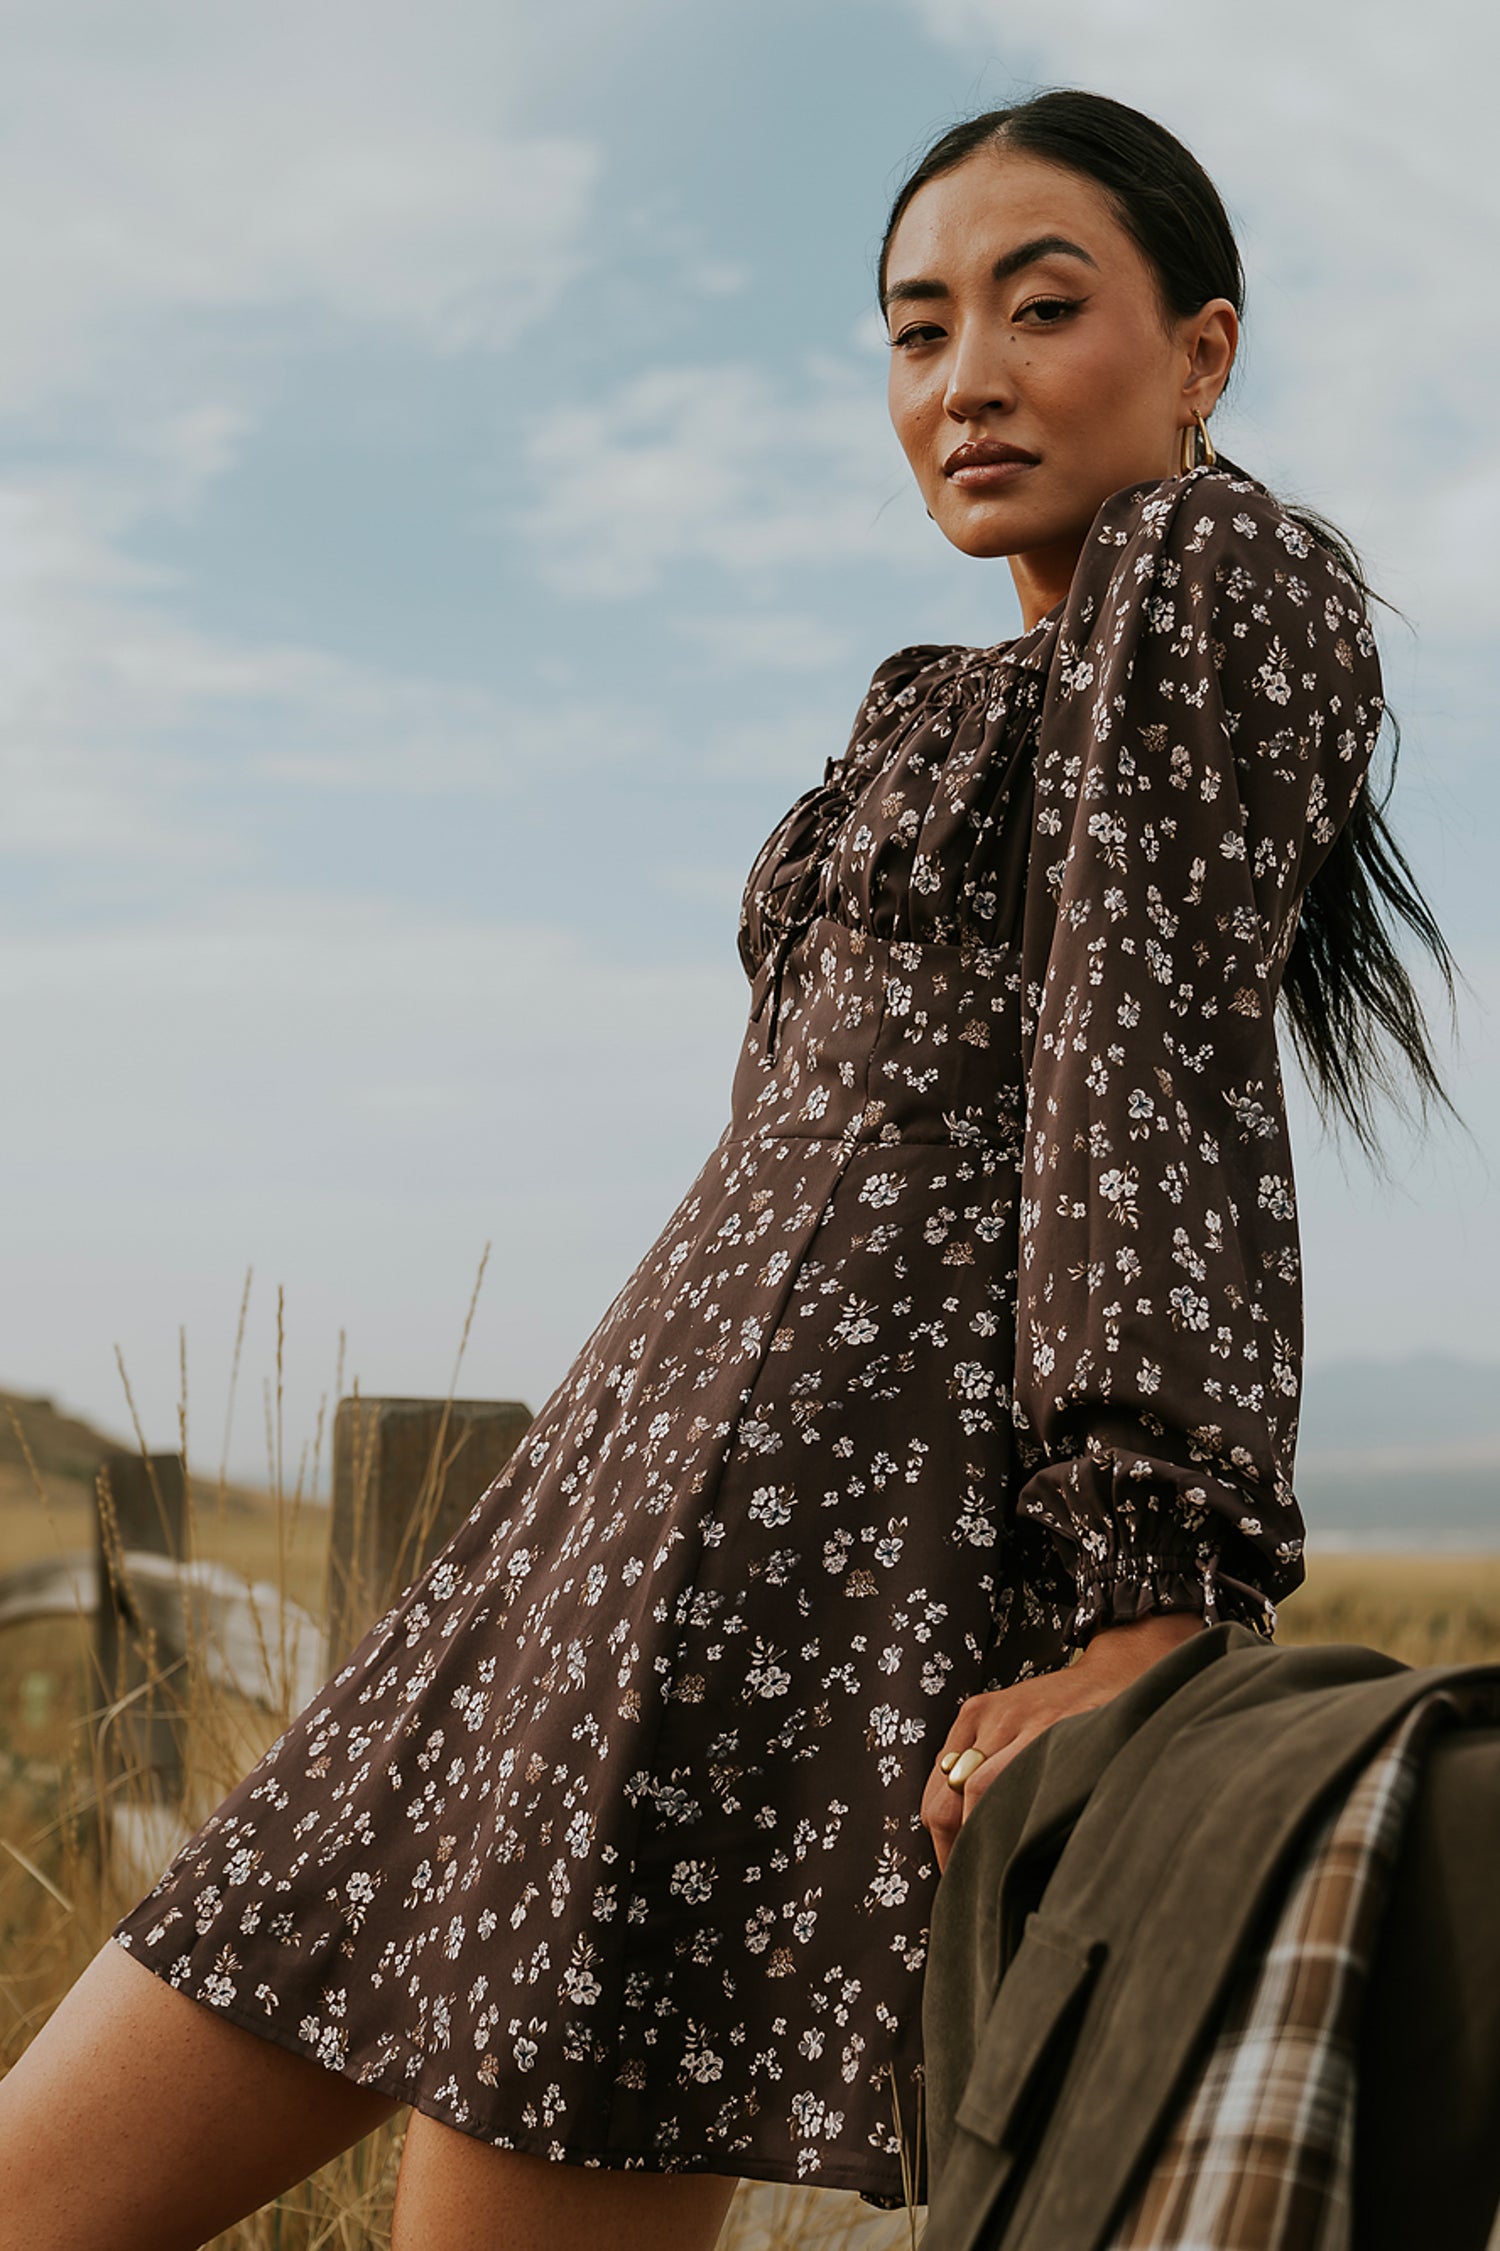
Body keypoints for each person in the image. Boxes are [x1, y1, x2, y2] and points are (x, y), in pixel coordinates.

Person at [0, 87, 1453, 2251]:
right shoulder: (945, 690)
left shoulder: (1211, 573)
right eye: (915, 328)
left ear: (1204, 350)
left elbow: (1154, 1072)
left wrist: (1154, 1589)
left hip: (758, 1580)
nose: (965, 378)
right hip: (566, 1544)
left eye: (1041, 308)